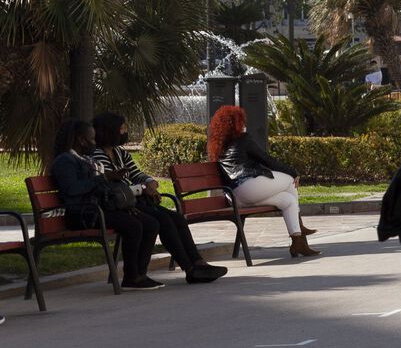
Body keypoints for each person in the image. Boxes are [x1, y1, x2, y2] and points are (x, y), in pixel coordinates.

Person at [91, 113, 226, 283]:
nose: (125, 131)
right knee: (163, 220)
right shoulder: (97, 155)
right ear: (110, 131)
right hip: (121, 204)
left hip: (134, 199)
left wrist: (150, 182)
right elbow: (111, 190)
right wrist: (142, 189)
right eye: (122, 128)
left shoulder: (119, 153)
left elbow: (136, 173)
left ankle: (198, 262)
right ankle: (190, 269)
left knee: (177, 219)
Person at [49, 119, 166, 290]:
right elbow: (73, 189)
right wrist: (105, 178)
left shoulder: (84, 159)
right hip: (82, 214)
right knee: (133, 226)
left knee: (151, 224)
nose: (94, 143)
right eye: (92, 139)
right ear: (81, 140)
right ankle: (131, 277)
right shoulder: (65, 161)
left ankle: (140, 274)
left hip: (97, 210)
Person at [210, 105, 318, 258]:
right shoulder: (243, 139)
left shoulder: (219, 145)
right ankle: (299, 226)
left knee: (288, 200)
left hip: (235, 197)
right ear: (237, 122)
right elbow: (266, 159)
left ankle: (298, 243)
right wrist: (294, 173)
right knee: (289, 180)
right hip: (247, 188)